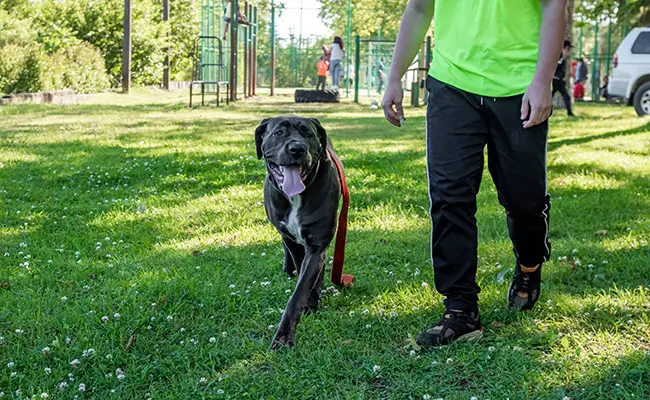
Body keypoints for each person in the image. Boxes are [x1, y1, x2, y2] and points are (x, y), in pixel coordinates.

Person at [382, 0, 565, 347]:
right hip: (451, 84)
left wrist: (543, 80)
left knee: (524, 200)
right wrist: (395, 77)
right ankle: (460, 308)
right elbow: (419, 9)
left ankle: (529, 266)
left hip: (518, 86)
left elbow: (556, 5)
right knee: (449, 197)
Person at [552, 40, 575, 116]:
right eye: (568, 49)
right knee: (549, 98)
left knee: (566, 96)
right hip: (554, 80)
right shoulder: (557, 56)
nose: (568, 52)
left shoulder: (563, 58)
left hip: (560, 81)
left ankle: (569, 112)